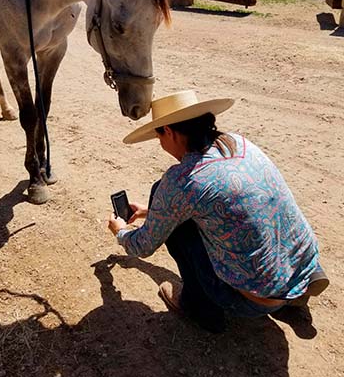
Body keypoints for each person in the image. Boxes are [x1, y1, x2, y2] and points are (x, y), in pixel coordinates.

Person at [108, 90, 329, 333]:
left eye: (158, 137)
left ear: (169, 132)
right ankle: (297, 289)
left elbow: (142, 246)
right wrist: (151, 212)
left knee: (165, 201)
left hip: (252, 300)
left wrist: (121, 231)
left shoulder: (182, 180)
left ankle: (201, 309)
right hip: (300, 265)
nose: (160, 144)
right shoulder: (238, 143)